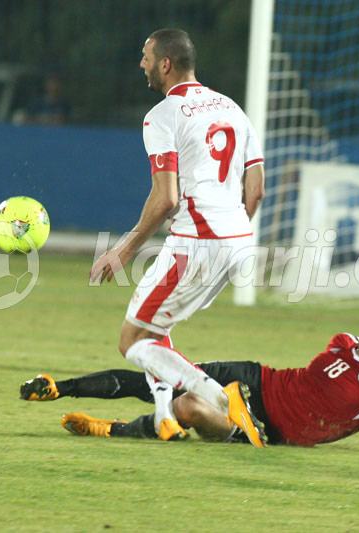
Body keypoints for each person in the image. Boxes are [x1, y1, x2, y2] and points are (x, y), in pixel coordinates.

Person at [87, 29, 267, 445]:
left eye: (146, 57)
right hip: (240, 241)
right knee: (156, 331)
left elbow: (165, 197)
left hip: (198, 243)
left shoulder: (163, 116)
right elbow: (254, 188)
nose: (142, 65)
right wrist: (230, 234)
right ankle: (165, 416)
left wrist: (124, 250)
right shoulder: (232, 108)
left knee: (132, 340)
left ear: (165, 64)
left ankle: (221, 398)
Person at [21, 301, 359, 456]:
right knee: (166, 368)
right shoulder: (342, 342)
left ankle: (113, 431)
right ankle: (61, 387)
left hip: (263, 429)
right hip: (255, 378)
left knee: (187, 406)